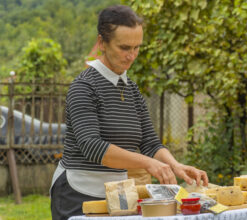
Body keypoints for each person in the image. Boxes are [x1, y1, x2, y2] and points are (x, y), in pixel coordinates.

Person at [50, 5, 208, 219]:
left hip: (118, 195)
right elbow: (92, 146)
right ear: (101, 43)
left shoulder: (131, 89)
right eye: (124, 47)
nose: (131, 56)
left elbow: (150, 143)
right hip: (77, 194)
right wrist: (149, 164)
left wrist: (175, 165)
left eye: (136, 47)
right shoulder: (83, 86)